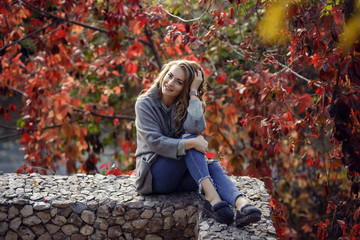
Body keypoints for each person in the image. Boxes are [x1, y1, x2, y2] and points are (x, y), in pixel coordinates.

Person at [134, 59, 261, 226]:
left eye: (179, 82)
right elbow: (154, 142)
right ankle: (213, 198)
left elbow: (196, 127)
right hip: (153, 177)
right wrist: (190, 143)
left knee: (211, 164)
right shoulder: (145, 103)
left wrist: (193, 93)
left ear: (184, 89)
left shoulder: (182, 104)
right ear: (164, 74)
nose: (170, 83)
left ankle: (241, 203)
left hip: (177, 179)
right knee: (190, 142)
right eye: (170, 76)